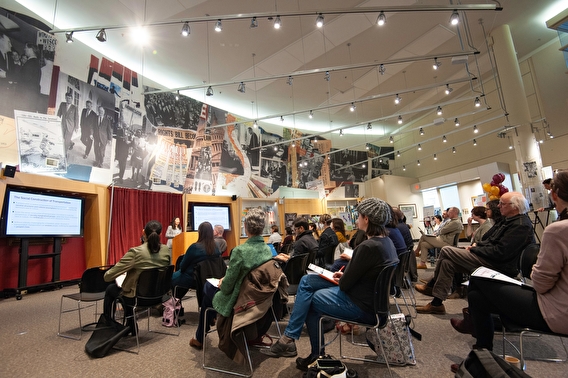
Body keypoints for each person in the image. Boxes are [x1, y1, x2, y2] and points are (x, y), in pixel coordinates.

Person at [261, 197, 399, 370]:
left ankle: (307, 350)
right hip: (373, 303)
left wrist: (343, 276)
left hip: (362, 306)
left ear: (367, 219)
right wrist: (344, 275)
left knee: (310, 298)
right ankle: (295, 342)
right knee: (307, 282)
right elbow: (364, 276)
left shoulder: (368, 246)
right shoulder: (386, 243)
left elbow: (345, 285)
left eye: (359, 216)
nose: (356, 220)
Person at [452, 171, 568, 358]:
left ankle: (479, 350)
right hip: (558, 304)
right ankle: (482, 355)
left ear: (554, 195)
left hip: (556, 311)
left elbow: (541, 284)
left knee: (478, 279)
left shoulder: (558, 230)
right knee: (477, 294)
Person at [415, 192, 535, 315]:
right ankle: (436, 304)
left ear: (514, 206)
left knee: (446, 250)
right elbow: (490, 241)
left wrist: (474, 249)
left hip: (499, 265)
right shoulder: (509, 221)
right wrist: (476, 246)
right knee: (447, 263)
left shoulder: (519, 225)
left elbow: (500, 252)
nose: (498, 206)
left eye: (502, 204)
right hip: (491, 258)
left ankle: (431, 284)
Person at [189, 208, 273, 349]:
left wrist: (223, 281)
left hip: (239, 299)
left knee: (207, 289)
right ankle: (208, 322)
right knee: (209, 293)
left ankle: (200, 337)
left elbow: (227, 287)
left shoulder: (240, 251)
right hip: (259, 298)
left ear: (246, 227)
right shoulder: (267, 249)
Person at [102, 220, 171, 334]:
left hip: (137, 298)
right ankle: (131, 325)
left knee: (111, 289)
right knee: (131, 287)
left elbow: (108, 277)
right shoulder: (165, 250)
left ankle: (108, 326)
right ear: (161, 234)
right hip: (158, 296)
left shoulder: (136, 252)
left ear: (144, 233)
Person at [171, 221, 220, 299]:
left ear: (200, 232)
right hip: (209, 278)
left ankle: (174, 305)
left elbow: (182, 266)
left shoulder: (194, 247)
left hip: (192, 278)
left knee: (170, 279)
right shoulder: (217, 248)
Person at [15, 42, 41, 112]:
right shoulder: (36, 63)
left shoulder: (30, 63)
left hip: (25, 98)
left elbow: (24, 79)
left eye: (26, 47)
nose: (24, 49)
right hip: (31, 99)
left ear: (31, 49)